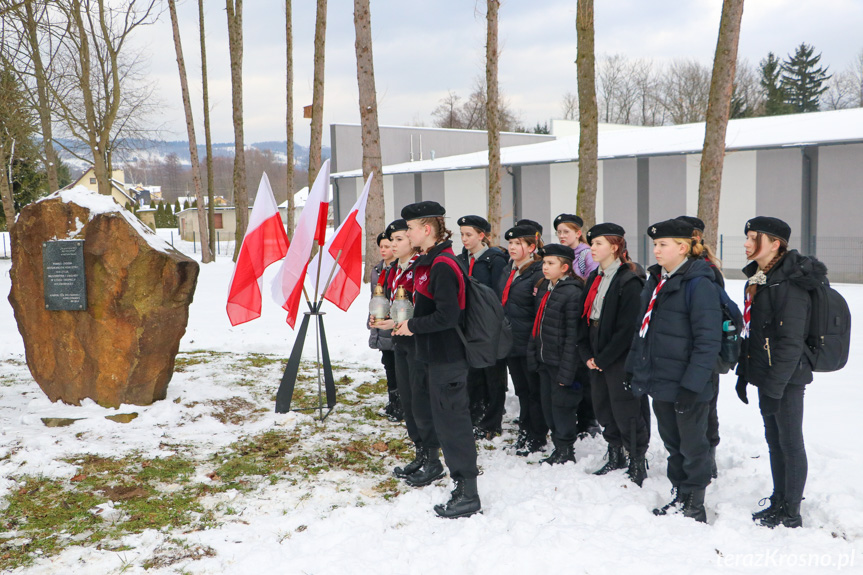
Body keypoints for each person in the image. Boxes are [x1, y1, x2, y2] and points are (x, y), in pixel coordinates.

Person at [627, 219, 721, 523]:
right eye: (654, 244)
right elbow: (643, 331)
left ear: (682, 247)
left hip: (687, 384)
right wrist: (634, 368)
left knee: (694, 446)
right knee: (672, 443)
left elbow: (708, 340)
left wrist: (693, 384)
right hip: (661, 379)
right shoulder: (657, 280)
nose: (656, 249)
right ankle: (680, 494)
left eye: (662, 244)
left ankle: (695, 503)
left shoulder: (699, 283)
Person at [392, 201, 481, 519]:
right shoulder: (430, 261)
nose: (407, 233)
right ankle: (446, 474)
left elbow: (448, 315)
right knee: (441, 421)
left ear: (426, 229)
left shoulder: (443, 264)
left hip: (448, 358)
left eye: (411, 228)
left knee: (454, 425)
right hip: (432, 357)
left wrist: (411, 325)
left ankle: (468, 492)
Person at [736, 216, 817, 529]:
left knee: (790, 442)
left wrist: (774, 386)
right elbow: (755, 332)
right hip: (767, 376)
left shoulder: (790, 282)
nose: (745, 243)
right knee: (775, 441)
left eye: (752, 237)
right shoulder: (761, 277)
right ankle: (779, 499)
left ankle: (791, 512)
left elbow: (790, 342)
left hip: (787, 377)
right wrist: (746, 373)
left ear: (774, 243)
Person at [578, 223, 649, 486]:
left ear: (615, 247)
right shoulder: (595, 277)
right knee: (603, 405)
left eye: (598, 243)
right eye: (592, 243)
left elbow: (627, 328)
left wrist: (604, 358)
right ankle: (615, 453)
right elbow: (583, 318)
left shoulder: (628, 280)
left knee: (625, 407)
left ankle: (636, 459)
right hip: (596, 349)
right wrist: (586, 353)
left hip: (619, 354)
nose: (592, 248)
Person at [371, 219, 437, 480]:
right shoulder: (393, 269)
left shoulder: (419, 267)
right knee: (408, 401)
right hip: (400, 341)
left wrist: (398, 322)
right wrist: (382, 319)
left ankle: (433, 458)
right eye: (391, 240)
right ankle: (420, 452)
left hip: (419, 341)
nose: (394, 245)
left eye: (399, 239)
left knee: (421, 401)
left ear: (412, 239)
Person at [526, 243, 585, 465]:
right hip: (545, 361)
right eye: (544, 263)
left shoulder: (572, 292)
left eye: (551, 263)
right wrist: (534, 354)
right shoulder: (545, 288)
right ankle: (558, 446)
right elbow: (538, 325)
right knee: (549, 407)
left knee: (562, 408)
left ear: (565, 267)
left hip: (562, 363)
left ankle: (565, 449)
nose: (545, 267)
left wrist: (567, 369)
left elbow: (573, 336)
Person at [676, 215, 725, 479]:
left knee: (707, 405)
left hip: (704, 351)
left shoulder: (705, 269)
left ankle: (709, 455)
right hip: (682, 351)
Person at [457, 215, 509, 438]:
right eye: (461, 235)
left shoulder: (494, 260)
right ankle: (475, 415)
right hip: (468, 324)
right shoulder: (461, 259)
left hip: (488, 325)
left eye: (469, 235)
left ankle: (492, 422)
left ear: (482, 235)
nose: (464, 239)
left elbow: (498, 293)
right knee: (473, 373)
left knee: (493, 374)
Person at [499, 224, 548, 455]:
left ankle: (536, 436)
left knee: (533, 391)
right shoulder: (512, 270)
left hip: (528, 342)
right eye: (510, 243)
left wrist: (534, 342)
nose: (512, 247)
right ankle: (525, 431)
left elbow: (538, 312)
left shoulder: (537, 273)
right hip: (511, 341)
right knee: (521, 391)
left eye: (518, 243)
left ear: (531, 247)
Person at [554, 213, 602, 440]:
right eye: (559, 232)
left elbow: (592, 281)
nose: (562, 235)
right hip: (568, 311)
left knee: (583, 368)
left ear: (578, 233)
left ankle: (589, 418)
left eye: (566, 231)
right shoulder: (565, 253)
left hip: (583, 313)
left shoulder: (585, 255)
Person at [369, 232, 401, 421]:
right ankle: (393, 401)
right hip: (382, 325)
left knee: (399, 367)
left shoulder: (398, 269)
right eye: (381, 246)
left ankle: (402, 405)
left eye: (387, 246)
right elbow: (374, 299)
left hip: (396, 323)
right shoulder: (377, 270)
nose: (384, 250)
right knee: (388, 364)